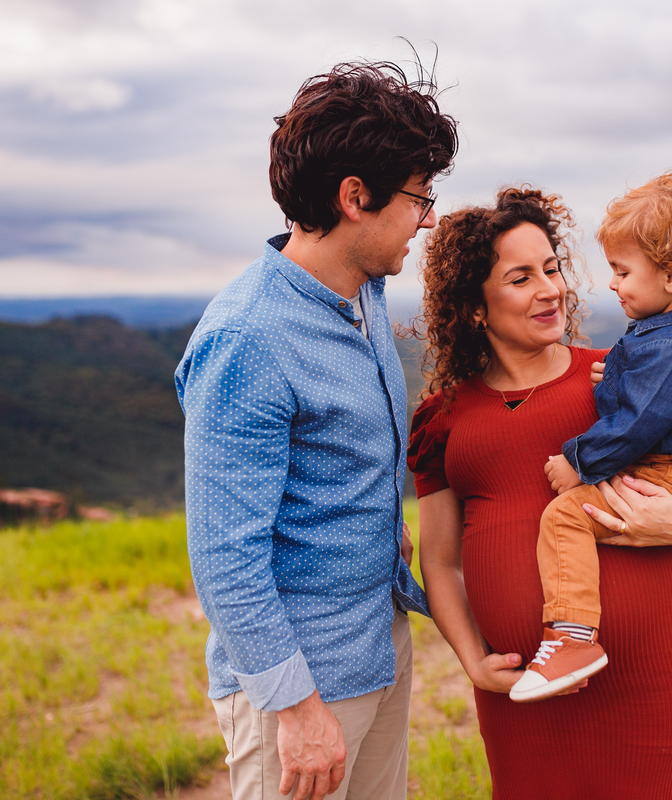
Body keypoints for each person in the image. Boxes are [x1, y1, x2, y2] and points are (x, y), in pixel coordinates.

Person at [174, 61, 457, 800]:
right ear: (354, 197)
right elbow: (224, 558)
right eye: (419, 198)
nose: (426, 218)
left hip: (378, 638)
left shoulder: (363, 289)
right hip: (304, 682)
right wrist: (296, 710)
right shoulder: (248, 339)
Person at [407, 187, 672, 799]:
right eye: (521, 277)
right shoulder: (442, 420)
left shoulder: (614, 376)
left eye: (552, 267)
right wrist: (471, 658)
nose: (551, 288)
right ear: (475, 308)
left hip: (655, 669)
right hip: (527, 683)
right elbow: (441, 559)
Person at [511, 171, 672, 703]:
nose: (612, 283)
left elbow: (635, 426)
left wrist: (578, 461)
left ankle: (573, 638)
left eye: (622, 271)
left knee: (564, 517)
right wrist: (622, 378)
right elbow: (653, 403)